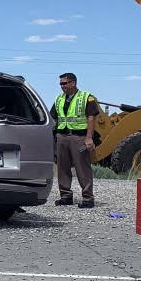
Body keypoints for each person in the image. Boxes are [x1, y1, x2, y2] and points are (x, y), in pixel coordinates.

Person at [50, 72, 100, 208]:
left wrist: (89, 138)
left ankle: (88, 198)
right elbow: (54, 119)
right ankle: (65, 196)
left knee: (82, 167)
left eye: (64, 83)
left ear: (73, 83)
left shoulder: (86, 97)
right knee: (62, 168)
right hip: (62, 137)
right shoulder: (59, 99)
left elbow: (91, 118)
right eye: (60, 84)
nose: (62, 86)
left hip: (79, 138)